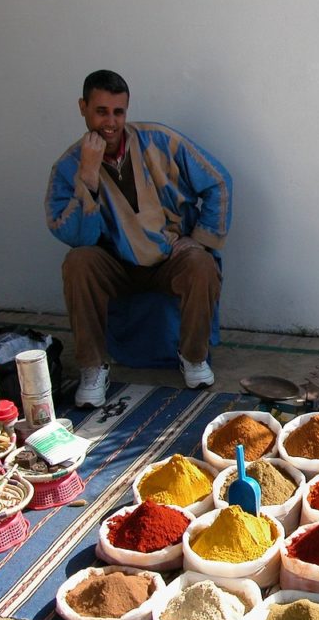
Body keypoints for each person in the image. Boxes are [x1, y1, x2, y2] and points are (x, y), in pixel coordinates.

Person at [45, 70, 232, 407]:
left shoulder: (159, 141)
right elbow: (77, 237)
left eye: (118, 112)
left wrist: (200, 239)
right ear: (83, 108)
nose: (110, 122)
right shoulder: (68, 166)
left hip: (168, 258)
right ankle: (92, 367)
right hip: (114, 264)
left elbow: (218, 181)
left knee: (201, 264)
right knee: (78, 262)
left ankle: (192, 356)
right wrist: (87, 176)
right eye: (101, 111)